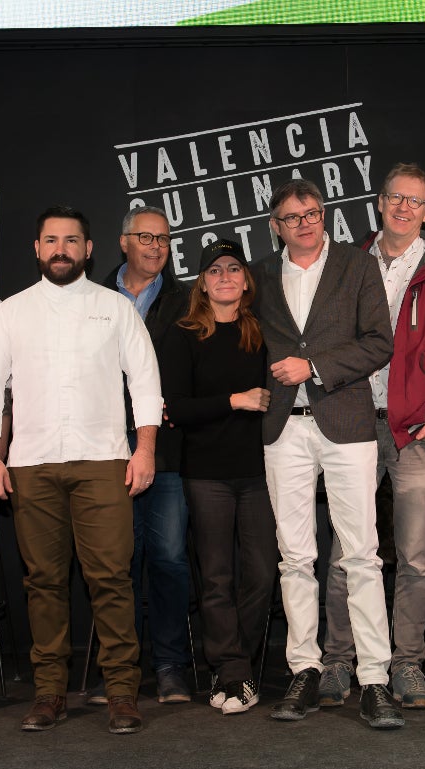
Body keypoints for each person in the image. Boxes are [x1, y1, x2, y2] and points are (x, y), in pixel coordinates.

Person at [0, 205, 157, 735]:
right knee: (44, 582)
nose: (61, 249)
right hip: (30, 464)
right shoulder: (11, 312)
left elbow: (144, 382)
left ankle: (122, 691)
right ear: (36, 249)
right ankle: (49, 691)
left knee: (111, 580)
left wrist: (144, 451)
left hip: (104, 461)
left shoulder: (115, 308)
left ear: (89, 248)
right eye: (51, 239)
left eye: (71, 240)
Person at [319, 164, 425, 710]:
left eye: (414, 201)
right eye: (395, 198)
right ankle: (337, 660)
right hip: (352, 424)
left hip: (418, 429)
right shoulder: (346, 261)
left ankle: (407, 663)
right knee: (349, 550)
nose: (403, 208)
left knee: (415, 556)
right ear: (379, 201)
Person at [249, 178, 400, 729]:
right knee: (295, 557)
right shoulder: (260, 274)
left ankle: (375, 679)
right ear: (276, 225)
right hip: (282, 428)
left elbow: (380, 342)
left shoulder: (357, 267)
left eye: (312, 213)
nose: (305, 223)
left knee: (360, 553)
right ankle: (304, 670)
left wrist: (313, 368)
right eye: (293, 217)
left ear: (324, 214)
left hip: (346, 423)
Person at [158, 239, 277, 715]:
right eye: (214, 271)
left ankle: (235, 668)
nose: (225, 276)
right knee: (216, 578)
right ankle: (230, 673)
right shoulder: (182, 334)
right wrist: (235, 399)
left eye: (234, 269)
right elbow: (175, 409)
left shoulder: (262, 333)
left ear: (246, 280)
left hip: (259, 473)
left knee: (263, 574)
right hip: (206, 473)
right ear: (202, 284)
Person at [96, 206, 193, 704]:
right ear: (123, 242)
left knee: (170, 559)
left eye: (164, 239)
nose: (156, 247)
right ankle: (119, 670)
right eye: (146, 237)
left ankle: (171, 665)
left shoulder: (187, 299)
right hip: (101, 447)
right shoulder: (89, 296)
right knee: (114, 564)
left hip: (167, 450)